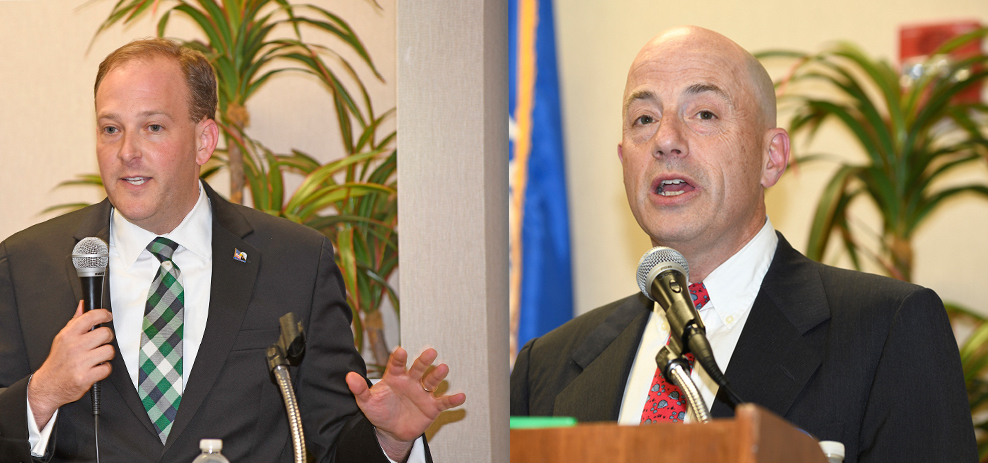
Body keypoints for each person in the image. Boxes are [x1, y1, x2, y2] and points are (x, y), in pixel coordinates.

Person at [510, 26, 976, 463]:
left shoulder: (885, 330)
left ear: (771, 158)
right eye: (644, 119)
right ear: (623, 160)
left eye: (705, 114)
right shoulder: (546, 366)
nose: (665, 140)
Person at [0, 38, 464, 462]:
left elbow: (330, 444)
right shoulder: (26, 267)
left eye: (153, 127)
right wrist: (42, 394)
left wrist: (390, 440)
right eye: (110, 129)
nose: (127, 152)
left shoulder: (296, 264)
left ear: (204, 141)